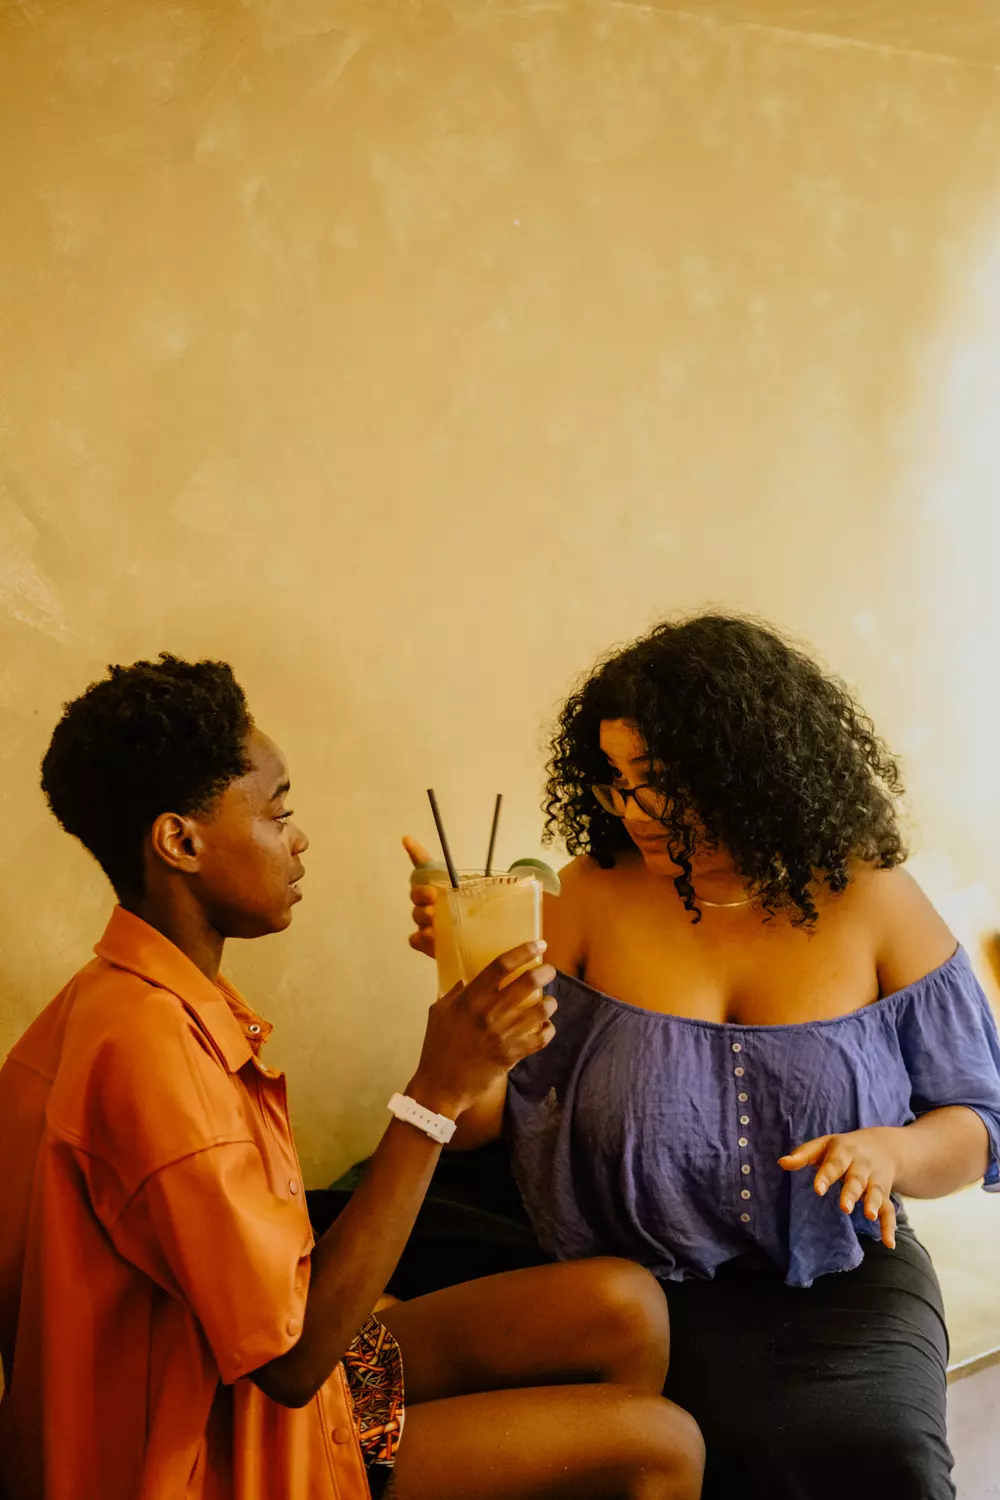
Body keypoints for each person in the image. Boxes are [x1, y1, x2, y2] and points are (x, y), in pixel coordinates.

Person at [0, 654, 705, 1500]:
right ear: (180, 841)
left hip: (236, 1376)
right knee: (660, 1446)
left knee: (624, 1304)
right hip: (221, 1453)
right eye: (277, 813)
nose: (298, 839)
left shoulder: (133, 996)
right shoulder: (150, 1056)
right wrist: (435, 1094)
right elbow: (292, 1363)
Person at [406, 613, 1000, 1500]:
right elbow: (474, 1127)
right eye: (614, 782)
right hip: (638, 1289)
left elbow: (979, 1122)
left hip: (838, 1276)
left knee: (887, 1463)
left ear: (747, 767)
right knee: (694, 1450)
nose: (630, 809)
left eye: (656, 783)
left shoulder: (875, 899)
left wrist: (894, 1152)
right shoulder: (583, 897)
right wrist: (465, 982)